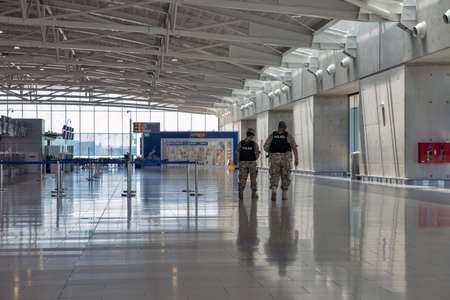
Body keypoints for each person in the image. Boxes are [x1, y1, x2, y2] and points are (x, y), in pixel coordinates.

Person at [264, 121, 298, 201]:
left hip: (274, 159)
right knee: (285, 176)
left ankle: (274, 191)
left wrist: (272, 152)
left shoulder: (272, 135)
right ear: (284, 127)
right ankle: (284, 195)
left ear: (278, 127)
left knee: (274, 175)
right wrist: (296, 159)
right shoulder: (288, 135)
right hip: (285, 159)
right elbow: (294, 148)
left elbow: (265, 147)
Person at [236, 128, 260, 201]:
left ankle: (241, 191)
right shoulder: (254, 144)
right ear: (252, 135)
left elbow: (237, 153)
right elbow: (257, 156)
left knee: (242, 178)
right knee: (253, 178)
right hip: (252, 163)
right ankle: (253, 193)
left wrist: (240, 162)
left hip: (242, 163)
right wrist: (256, 157)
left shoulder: (241, 143)